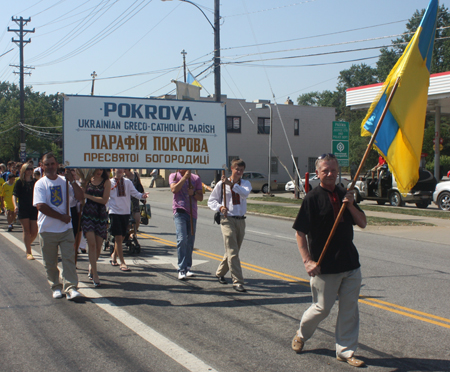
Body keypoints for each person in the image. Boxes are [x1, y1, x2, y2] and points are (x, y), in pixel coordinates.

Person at [291, 153, 367, 368]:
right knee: (321, 308)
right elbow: (300, 232)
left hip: (350, 264)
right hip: (325, 266)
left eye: (333, 170)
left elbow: (362, 222)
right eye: (325, 170)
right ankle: (302, 334)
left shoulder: (346, 194)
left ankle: (345, 351)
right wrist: (307, 261)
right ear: (318, 173)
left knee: (349, 310)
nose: (330, 174)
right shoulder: (312, 198)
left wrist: (351, 204)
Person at [33, 153, 84, 301]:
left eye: (52, 164)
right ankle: (56, 286)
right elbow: (41, 206)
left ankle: (71, 287)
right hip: (47, 229)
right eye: (47, 164)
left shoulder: (65, 182)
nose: (50, 167)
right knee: (50, 262)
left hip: (65, 229)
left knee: (68, 259)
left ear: (57, 165)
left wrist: (73, 181)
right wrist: (61, 216)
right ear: (42, 166)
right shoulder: (40, 184)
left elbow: (80, 197)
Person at [208, 159, 251, 292]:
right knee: (232, 251)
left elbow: (244, 194)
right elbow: (211, 200)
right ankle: (237, 281)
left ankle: (220, 273)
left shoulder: (245, 184)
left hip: (241, 220)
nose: (239, 172)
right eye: (237, 169)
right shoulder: (221, 184)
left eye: (242, 170)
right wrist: (220, 207)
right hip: (227, 219)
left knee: (233, 250)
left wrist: (231, 184)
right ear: (231, 169)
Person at [109, 168, 148, 272]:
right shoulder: (109, 183)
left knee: (122, 237)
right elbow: (105, 198)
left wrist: (142, 196)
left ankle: (114, 255)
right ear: (113, 170)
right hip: (114, 212)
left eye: (122, 168)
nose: (120, 170)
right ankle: (122, 262)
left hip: (125, 213)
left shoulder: (128, 182)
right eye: (118, 169)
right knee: (118, 237)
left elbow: (135, 193)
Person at [169, 169, 203, 280]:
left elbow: (200, 197)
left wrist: (193, 193)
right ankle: (181, 269)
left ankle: (187, 267)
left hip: (192, 212)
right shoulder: (173, 176)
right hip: (179, 211)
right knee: (182, 239)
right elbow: (174, 189)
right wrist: (184, 178)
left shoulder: (195, 178)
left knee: (190, 241)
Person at [81, 169, 110, 287]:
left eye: (101, 169)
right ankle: (95, 274)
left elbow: (104, 200)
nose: (99, 171)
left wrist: (88, 195)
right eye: (97, 169)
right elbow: (81, 197)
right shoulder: (87, 180)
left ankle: (91, 266)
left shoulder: (106, 182)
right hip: (88, 214)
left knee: (98, 246)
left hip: (100, 214)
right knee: (91, 244)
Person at [13, 163, 38, 260]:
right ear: (24, 170)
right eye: (28, 169)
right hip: (23, 208)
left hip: (34, 208)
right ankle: (29, 252)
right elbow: (14, 195)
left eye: (31, 169)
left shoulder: (35, 182)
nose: (30, 171)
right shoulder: (19, 182)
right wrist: (15, 205)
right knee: (27, 231)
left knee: (34, 231)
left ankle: (27, 243)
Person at [124, 169, 144, 234]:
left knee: (137, 219)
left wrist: (143, 196)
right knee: (128, 222)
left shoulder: (135, 174)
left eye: (125, 169)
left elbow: (139, 185)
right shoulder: (122, 177)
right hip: (125, 200)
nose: (124, 171)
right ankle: (127, 235)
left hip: (135, 199)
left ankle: (133, 234)